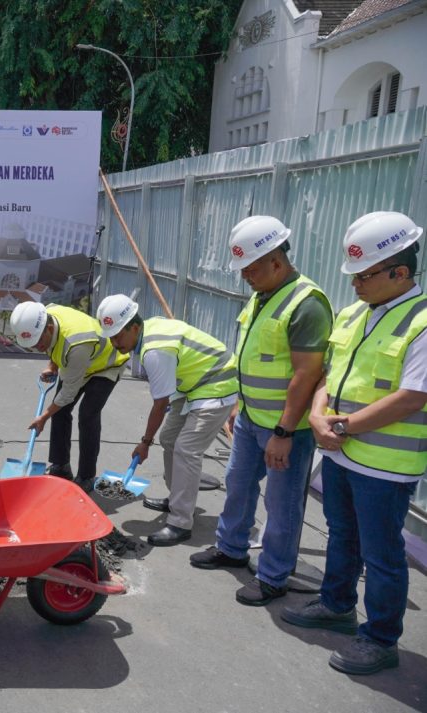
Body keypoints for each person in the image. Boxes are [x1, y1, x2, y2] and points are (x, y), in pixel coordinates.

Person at [282, 211, 427, 675]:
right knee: (341, 535)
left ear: (400, 272)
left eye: (364, 275)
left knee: (382, 554)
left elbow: (412, 397)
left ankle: (381, 638)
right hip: (342, 455)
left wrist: (340, 428)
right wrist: (318, 415)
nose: (355, 285)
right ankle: (337, 604)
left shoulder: (421, 323)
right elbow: (327, 374)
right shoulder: (353, 314)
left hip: (385, 466)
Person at [189, 216, 332, 607]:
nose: (246, 277)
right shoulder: (261, 295)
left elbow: (307, 374)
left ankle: (273, 576)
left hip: (287, 430)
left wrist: (284, 433)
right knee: (237, 484)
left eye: (251, 269)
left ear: (276, 260)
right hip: (252, 419)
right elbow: (252, 358)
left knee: (282, 504)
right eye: (243, 270)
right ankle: (232, 548)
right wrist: (240, 404)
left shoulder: (307, 304)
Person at [98, 294, 238, 546]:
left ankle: (181, 522)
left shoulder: (154, 351)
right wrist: (152, 440)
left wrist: (144, 442)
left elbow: (160, 403)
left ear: (135, 327)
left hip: (217, 383)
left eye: (118, 335)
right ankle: (178, 499)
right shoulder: (149, 330)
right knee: (170, 439)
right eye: (111, 336)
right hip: (193, 385)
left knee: (187, 449)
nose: (114, 342)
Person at [8, 300, 126, 489]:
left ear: (48, 328)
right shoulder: (43, 316)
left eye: (38, 342)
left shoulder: (76, 343)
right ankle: (61, 465)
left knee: (87, 415)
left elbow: (67, 394)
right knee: (61, 412)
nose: (36, 346)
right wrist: (52, 365)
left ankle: (86, 476)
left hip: (105, 366)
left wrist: (43, 417)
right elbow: (54, 345)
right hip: (76, 364)